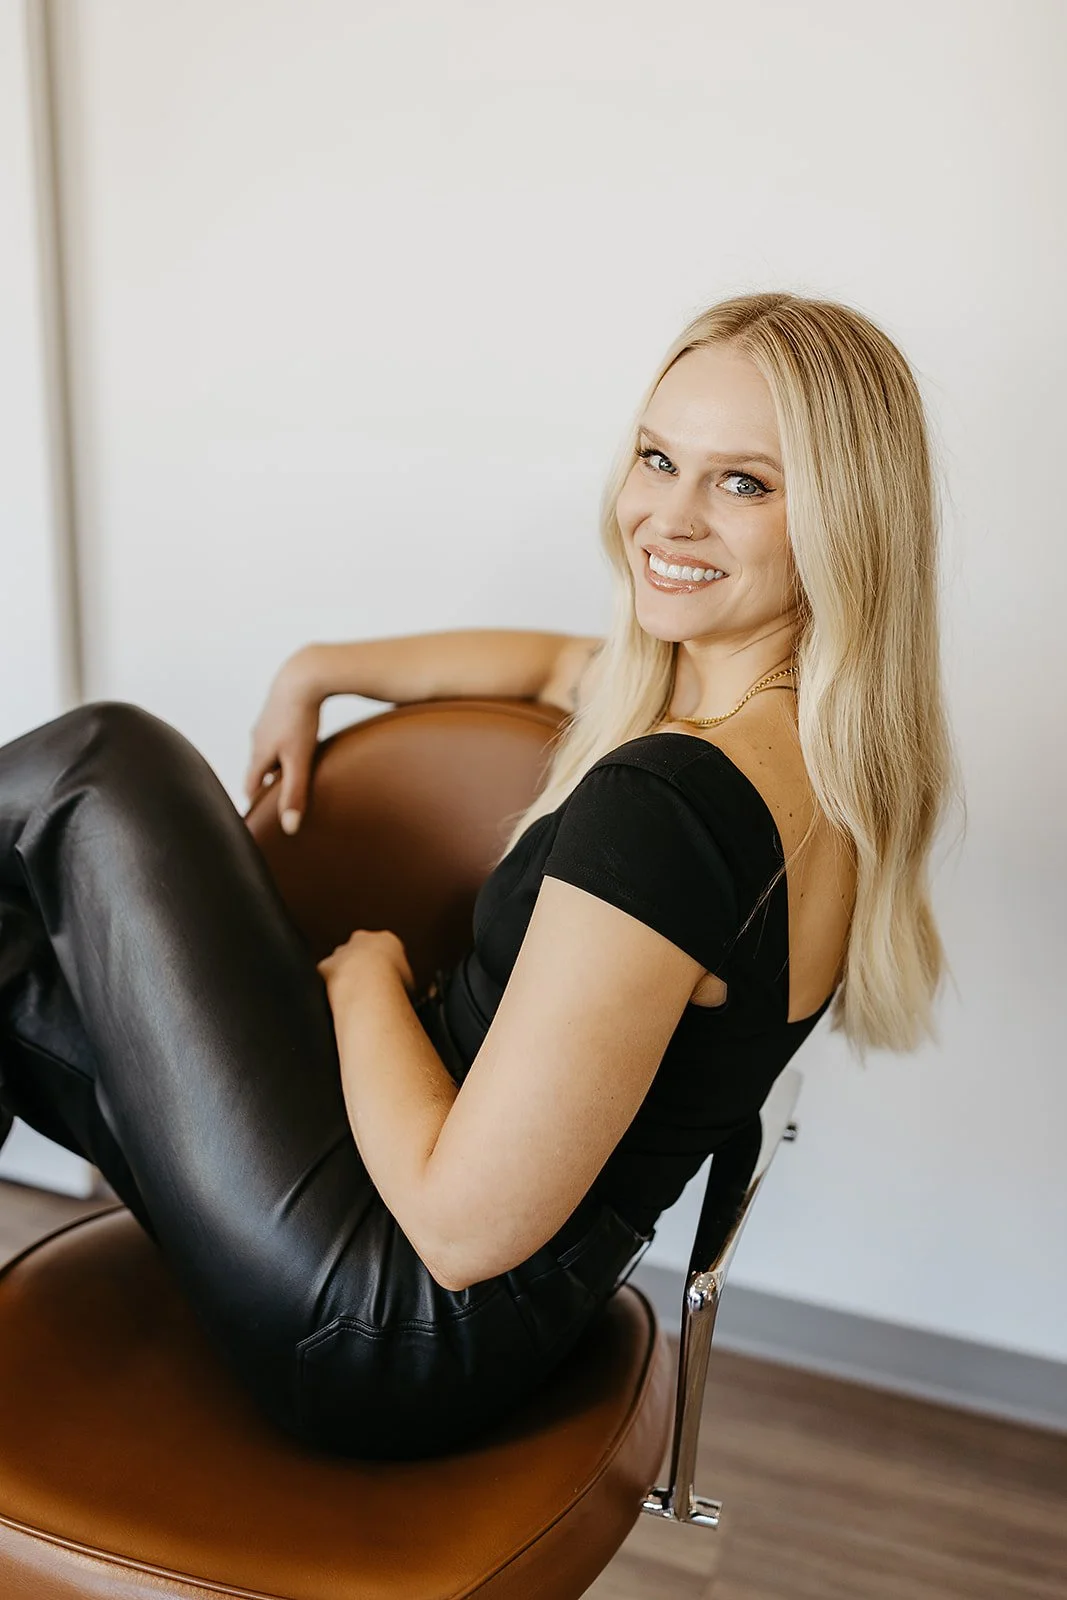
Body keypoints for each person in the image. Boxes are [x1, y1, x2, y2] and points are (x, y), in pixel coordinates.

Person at [0, 290, 957, 1459]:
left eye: (742, 483)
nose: (666, 516)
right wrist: (322, 668)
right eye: (657, 458)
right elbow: (561, 664)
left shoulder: (665, 809)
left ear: (846, 523)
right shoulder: (810, 757)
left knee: (101, 762)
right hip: (444, 1283)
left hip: (381, 1305)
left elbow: (458, 1229)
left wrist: (363, 978)